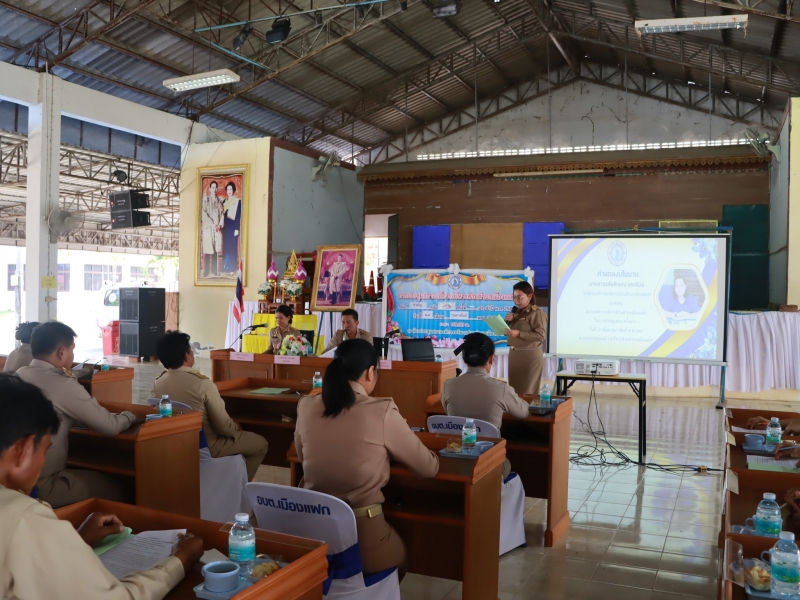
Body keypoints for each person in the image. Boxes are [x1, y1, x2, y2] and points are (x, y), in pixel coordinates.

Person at [0, 373, 204, 599]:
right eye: (44, 450)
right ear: (23, 449)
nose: (42, 462)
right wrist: (181, 559)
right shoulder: (24, 518)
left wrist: (76, 541)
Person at [294, 339, 439, 578]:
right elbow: (428, 468)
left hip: (313, 528)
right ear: (370, 372)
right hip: (361, 533)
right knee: (402, 559)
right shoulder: (382, 410)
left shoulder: (306, 404)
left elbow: (302, 456)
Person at [16, 322, 137, 508]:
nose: (72, 356)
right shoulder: (63, 384)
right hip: (43, 485)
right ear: (62, 352)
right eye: (72, 350)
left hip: (13, 480)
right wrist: (131, 416)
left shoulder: (18, 375)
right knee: (121, 486)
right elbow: (110, 426)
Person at [151, 331, 268, 481]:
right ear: (186, 356)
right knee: (260, 444)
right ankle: (238, 489)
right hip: (207, 446)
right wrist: (237, 428)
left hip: (173, 443)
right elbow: (224, 428)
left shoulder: (158, 382)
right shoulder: (203, 384)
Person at [443, 332, 530, 430]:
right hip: (490, 440)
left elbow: (447, 411)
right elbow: (523, 413)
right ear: (491, 358)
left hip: (457, 439)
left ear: (464, 360)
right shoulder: (502, 389)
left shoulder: (447, 386)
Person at [504, 281, 547, 395]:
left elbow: (540, 336)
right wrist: (508, 322)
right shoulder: (517, 313)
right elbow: (510, 332)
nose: (516, 301)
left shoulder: (536, 313)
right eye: (514, 297)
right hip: (515, 355)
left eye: (519, 297)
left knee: (528, 392)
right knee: (514, 392)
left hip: (529, 357)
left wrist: (519, 333)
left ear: (529, 296)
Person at [201, 180, 223, 277]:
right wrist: (211, 223)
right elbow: (203, 212)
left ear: (217, 189)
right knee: (208, 249)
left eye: (215, 187)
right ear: (209, 189)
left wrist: (220, 224)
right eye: (212, 187)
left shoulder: (219, 201)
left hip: (216, 228)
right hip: (209, 227)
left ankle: (214, 270)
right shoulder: (206, 200)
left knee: (215, 249)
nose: (214, 189)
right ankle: (206, 270)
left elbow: (222, 214)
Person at [222, 181, 241, 273]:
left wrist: (237, 228)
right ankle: (226, 267)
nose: (229, 191)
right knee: (226, 246)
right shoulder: (224, 202)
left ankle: (232, 268)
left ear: (233, 190)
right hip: (226, 227)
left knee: (232, 246)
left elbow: (238, 215)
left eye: (231, 189)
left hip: (233, 227)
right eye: (228, 189)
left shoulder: (237, 201)